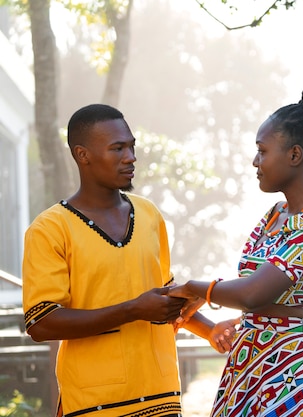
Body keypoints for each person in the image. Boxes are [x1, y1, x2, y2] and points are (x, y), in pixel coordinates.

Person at [21, 104, 236, 417]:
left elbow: (161, 295)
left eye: (132, 146)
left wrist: (209, 329)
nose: (131, 156)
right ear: (83, 155)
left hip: (160, 396)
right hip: (95, 403)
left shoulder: (149, 215)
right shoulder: (49, 228)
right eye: (117, 148)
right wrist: (132, 310)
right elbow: (41, 323)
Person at [169, 79, 303, 417]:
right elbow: (260, 296)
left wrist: (192, 289)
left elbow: (253, 292)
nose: (255, 161)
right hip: (252, 370)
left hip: (302, 377)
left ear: (295, 155)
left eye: (262, 150)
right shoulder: (275, 215)